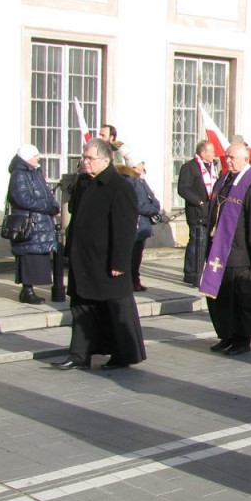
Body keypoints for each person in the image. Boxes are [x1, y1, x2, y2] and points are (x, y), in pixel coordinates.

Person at [54, 140, 145, 370]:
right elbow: (77, 219)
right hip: (83, 258)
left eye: (89, 158)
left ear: (106, 160)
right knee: (81, 307)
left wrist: (119, 261)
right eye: (83, 157)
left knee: (114, 310)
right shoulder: (84, 182)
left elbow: (124, 229)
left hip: (107, 261)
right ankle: (79, 354)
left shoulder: (120, 186)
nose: (84, 162)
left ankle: (122, 354)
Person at [200, 141, 251, 357]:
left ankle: (243, 339)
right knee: (218, 298)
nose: (228, 160)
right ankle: (227, 334)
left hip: (239, 252)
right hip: (218, 250)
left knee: (239, 299)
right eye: (227, 157)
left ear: (246, 159)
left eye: (232, 157)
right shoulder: (224, 179)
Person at [6, 144, 59, 304]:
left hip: (38, 223)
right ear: (27, 157)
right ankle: (27, 291)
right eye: (35, 155)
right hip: (30, 224)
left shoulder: (34, 172)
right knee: (28, 258)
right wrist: (47, 207)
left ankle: (28, 291)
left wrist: (53, 205)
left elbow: (46, 193)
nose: (38, 158)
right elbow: (22, 198)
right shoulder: (19, 174)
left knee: (35, 258)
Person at [178, 140, 218, 285]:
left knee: (206, 243)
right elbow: (183, 188)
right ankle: (193, 274)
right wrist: (199, 201)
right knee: (197, 242)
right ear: (203, 153)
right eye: (211, 151)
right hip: (197, 211)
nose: (214, 154)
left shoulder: (212, 167)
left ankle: (203, 272)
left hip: (210, 211)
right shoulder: (190, 167)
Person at [119, 151, 161, 293]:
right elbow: (137, 204)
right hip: (134, 223)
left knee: (137, 256)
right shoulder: (129, 181)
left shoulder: (140, 180)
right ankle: (130, 281)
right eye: (141, 163)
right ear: (134, 165)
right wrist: (153, 209)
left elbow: (151, 197)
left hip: (141, 223)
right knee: (132, 256)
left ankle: (135, 280)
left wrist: (155, 206)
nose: (143, 165)